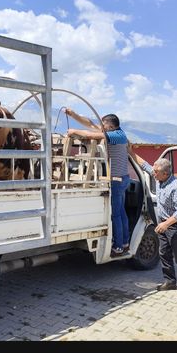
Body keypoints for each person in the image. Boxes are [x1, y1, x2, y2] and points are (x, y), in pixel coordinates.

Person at [63, 108, 130, 257]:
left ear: (111, 127)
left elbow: (90, 134)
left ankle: (119, 246)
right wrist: (73, 114)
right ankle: (125, 243)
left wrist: (74, 131)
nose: (101, 127)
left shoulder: (116, 136)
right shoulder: (116, 133)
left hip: (117, 181)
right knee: (122, 212)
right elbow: (90, 124)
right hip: (123, 179)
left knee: (116, 215)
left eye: (104, 125)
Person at [131, 152, 177, 298]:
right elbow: (145, 165)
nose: (153, 173)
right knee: (164, 253)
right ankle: (170, 281)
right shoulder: (159, 178)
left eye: (156, 172)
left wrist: (165, 224)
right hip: (164, 224)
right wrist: (130, 151)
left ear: (165, 173)